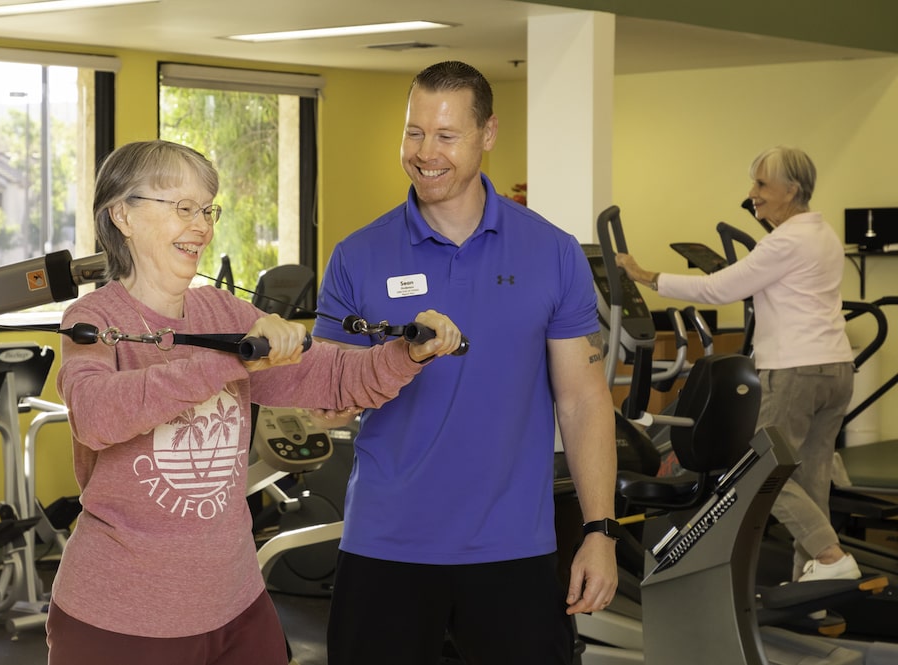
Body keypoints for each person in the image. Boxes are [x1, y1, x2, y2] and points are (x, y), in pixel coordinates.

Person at [44, 139, 465, 665]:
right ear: (122, 215)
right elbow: (97, 416)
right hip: (122, 613)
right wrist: (237, 359)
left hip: (235, 601)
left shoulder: (220, 309)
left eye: (206, 209)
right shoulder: (96, 319)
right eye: (181, 207)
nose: (200, 225)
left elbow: (333, 378)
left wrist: (407, 352)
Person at [311, 61, 619, 665]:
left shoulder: (552, 252)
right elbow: (324, 405)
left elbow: (583, 401)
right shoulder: (357, 255)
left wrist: (599, 531)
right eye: (414, 132)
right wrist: (399, 357)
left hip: (512, 547)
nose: (426, 153)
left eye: (446, 135)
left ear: (488, 133)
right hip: (386, 544)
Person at [616, 145, 861, 585]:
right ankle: (823, 584)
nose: (753, 194)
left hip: (796, 371)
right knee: (810, 481)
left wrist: (645, 275)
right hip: (837, 369)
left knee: (759, 467)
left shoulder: (786, 240)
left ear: (791, 189)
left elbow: (718, 290)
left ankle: (828, 556)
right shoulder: (822, 233)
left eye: (761, 185)